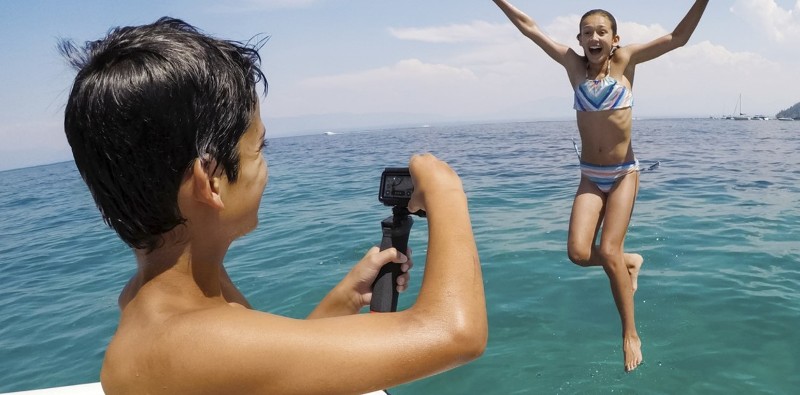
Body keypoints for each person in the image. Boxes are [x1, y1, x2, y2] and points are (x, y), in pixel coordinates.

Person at [60, 17, 487, 394]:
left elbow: (262, 373)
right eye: (257, 149)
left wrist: (343, 298)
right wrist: (445, 190)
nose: (265, 168)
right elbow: (455, 334)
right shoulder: (192, 342)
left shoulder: (162, 300)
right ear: (210, 181)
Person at [492, 0, 708, 372]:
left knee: (607, 249)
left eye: (601, 32)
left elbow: (678, 37)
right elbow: (529, 27)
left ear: (615, 39)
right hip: (591, 175)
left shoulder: (627, 62)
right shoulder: (572, 65)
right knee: (577, 253)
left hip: (624, 172)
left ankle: (630, 333)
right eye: (587, 32)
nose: (594, 37)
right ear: (579, 39)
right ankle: (630, 261)